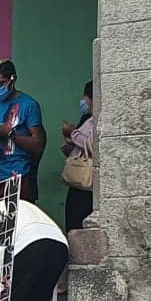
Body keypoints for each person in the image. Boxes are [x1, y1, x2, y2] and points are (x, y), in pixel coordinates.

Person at [0, 59, 47, 201]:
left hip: (17, 175)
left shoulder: (29, 105)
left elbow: (38, 144)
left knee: (16, 219)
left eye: (0, 83)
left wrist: (10, 134)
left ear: (12, 79)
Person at [60, 81, 97, 232]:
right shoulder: (87, 118)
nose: (83, 101)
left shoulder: (98, 120)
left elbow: (93, 144)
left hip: (87, 183)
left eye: (85, 97)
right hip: (76, 182)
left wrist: (73, 132)